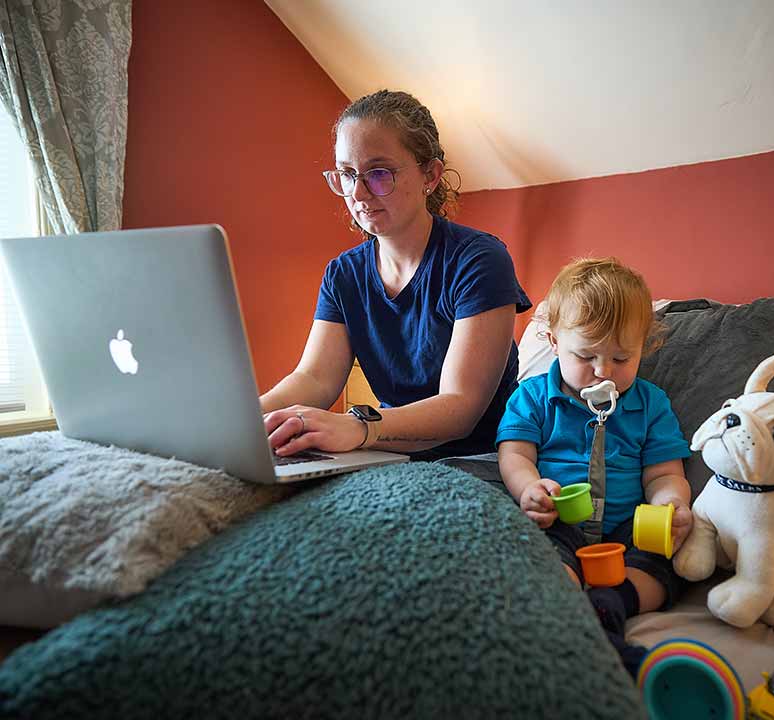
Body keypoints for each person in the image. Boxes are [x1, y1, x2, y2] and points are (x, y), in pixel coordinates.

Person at [261, 90, 530, 458]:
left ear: (430, 175)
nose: (358, 193)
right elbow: (314, 379)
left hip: (485, 458)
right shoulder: (343, 274)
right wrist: (248, 418)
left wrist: (359, 427)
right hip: (390, 451)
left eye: (378, 173)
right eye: (347, 174)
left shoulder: (479, 260)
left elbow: (460, 407)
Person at [496, 257, 692, 675]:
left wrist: (671, 504)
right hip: (558, 521)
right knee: (540, 555)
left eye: (621, 358)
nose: (604, 371)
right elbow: (514, 454)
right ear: (554, 342)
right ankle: (563, 611)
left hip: (628, 528)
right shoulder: (532, 397)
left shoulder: (651, 404)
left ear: (643, 348)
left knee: (664, 567)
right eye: (586, 355)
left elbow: (664, 473)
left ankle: (609, 605)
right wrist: (530, 489)